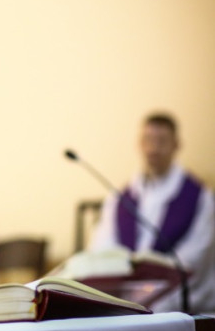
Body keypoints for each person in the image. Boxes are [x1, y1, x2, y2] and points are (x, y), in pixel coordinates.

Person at [89, 112, 215, 313]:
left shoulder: (200, 197)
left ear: (176, 145)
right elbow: (103, 248)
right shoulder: (119, 198)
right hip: (125, 298)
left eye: (162, 141)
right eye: (148, 140)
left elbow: (195, 256)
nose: (153, 149)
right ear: (139, 144)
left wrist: (149, 292)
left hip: (175, 303)